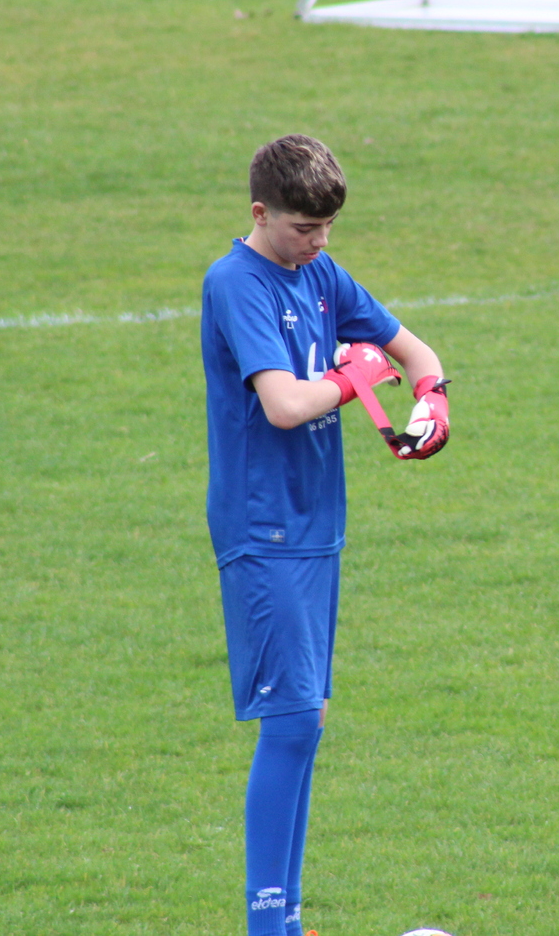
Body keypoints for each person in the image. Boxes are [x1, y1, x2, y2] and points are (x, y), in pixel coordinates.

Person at [201, 134, 451, 936]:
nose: (319, 242)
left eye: (328, 228)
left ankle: (289, 920)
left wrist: (432, 396)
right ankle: (266, 926)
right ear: (260, 212)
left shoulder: (320, 271)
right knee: (291, 720)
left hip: (316, 524)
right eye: (305, 228)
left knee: (307, 720)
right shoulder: (235, 282)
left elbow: (412, 348)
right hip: (262, 524)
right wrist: (355, 378)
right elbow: (283, 404)